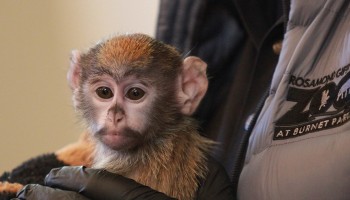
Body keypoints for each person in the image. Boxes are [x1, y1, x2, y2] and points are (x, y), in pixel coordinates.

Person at [10, 0, 350, 199]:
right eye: (102, 92)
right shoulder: (199, 12)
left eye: (135, 93)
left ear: (189, 88)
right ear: (76, 81)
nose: (113, 113)